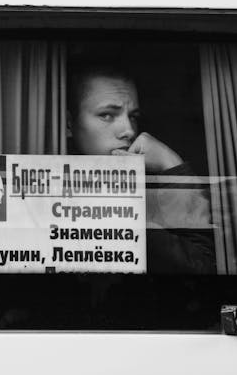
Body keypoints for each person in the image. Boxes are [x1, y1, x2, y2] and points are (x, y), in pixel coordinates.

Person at [67, 62, 216, 274]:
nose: (128, 130)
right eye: (107, 115)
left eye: (133, 117)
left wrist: (170, 163)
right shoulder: (43, 199)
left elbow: (202, 266)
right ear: (68, 124)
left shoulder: (142, 198)